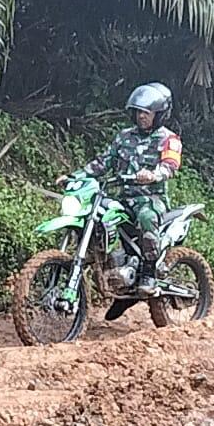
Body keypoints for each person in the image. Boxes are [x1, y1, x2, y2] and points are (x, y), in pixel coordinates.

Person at [58, 82, 181, 296]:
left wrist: (153, 174)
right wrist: (75, 176)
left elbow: (170, 165)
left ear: (159, 114)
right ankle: (111, 264)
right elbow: (103, 162)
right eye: (138, 112)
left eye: (147, 112)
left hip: (150, 198)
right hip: (123, 197)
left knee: (146, 217)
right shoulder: (124, 137)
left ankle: (149, 272)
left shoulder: (168, 139)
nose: (142, 116)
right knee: (98, 216)